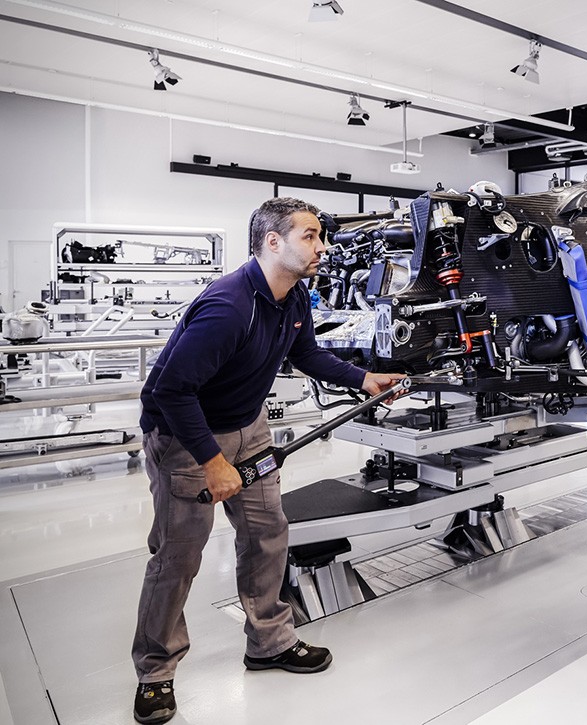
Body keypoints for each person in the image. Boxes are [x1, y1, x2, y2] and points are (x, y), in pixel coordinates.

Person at [131, 197, 403, 724]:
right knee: (177, 557)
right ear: (273, 242)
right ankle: (155, 671)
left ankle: (270, 642)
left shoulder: (294, 295)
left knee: (267, 534)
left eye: (320, 236)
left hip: (249, 427)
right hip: (186, 436)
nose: (322, 247)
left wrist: (363, 378)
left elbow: (306, 354)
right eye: (310, 236)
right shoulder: (228, 306)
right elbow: (171, 391)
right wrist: (212, 461)